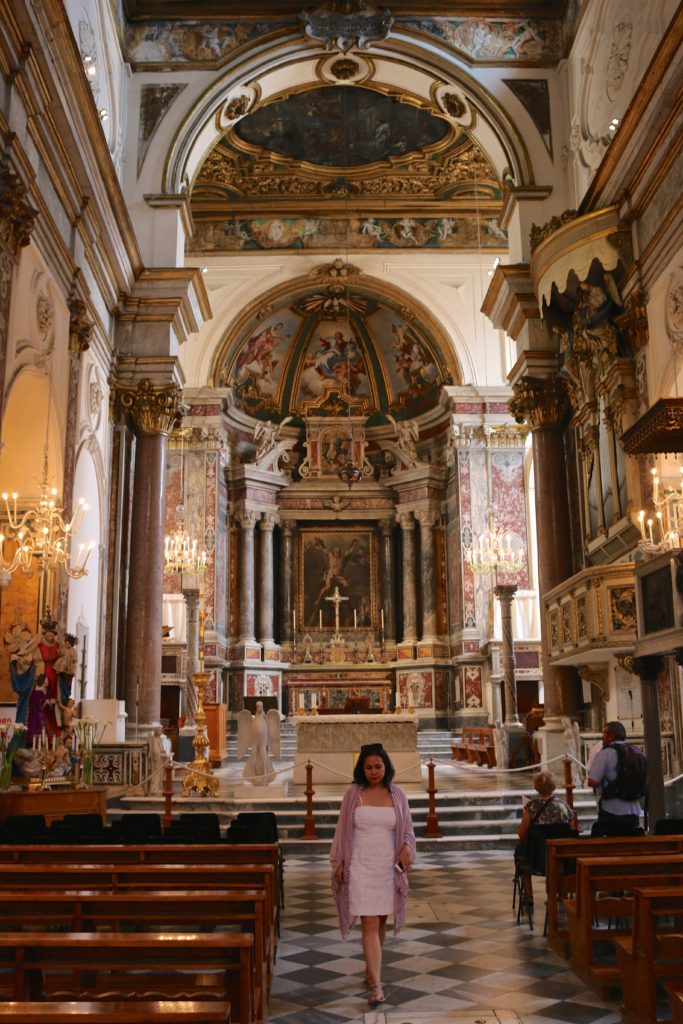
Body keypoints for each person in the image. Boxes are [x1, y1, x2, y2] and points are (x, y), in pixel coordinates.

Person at [330, 742, 416, 1008]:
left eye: (378, 766)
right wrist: (341, 863)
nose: (374, 771)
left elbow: (408, 832)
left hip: (386, 867)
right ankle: (378, 987)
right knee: (368, 923)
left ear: (386, 766)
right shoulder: (353, 794)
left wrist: (406, 849)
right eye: (369, 767)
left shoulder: (398, 794)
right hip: (360, 865)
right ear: (361, 769)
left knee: (379, 922)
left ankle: (371, 971)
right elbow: (342, 829)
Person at [515, 770, 575, 901]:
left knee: (520, 850)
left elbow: (522, 834)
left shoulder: (531, 807)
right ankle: (562, 892)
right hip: (562, 858)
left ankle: (529, 895)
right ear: (554, 787)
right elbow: (572, 830)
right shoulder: (563, 806)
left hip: (537, 859)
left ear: (536, 788)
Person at [588, 720, 644, 831]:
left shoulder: (606, 753)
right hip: (633, 809)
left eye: (604, 733)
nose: (603, 737)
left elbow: (593, 781)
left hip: (611, 810)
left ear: (611, 736)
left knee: (611, 844)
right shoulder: (636, 751)